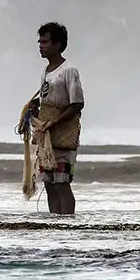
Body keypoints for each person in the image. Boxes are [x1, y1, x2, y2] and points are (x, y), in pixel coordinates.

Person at [25, 22, 84, 215]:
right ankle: (55, 224)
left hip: (64, 134)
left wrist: (55, 121)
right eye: (39, 42)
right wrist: (36, 107)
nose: (40, 46)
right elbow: (48, 99)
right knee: (49, 182)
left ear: (58, 44)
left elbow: (77, 104)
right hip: (47, 136)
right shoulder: (46, 71)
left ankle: (67, 222)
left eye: (45, 42)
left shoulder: (69, 70)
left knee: (62, 181)